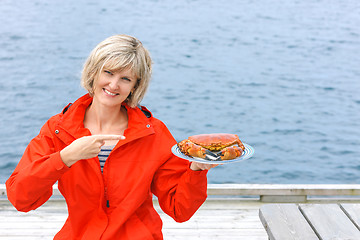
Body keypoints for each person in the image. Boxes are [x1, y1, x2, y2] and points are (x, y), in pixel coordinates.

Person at [6, 34, 217, 239]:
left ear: (135, 86)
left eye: (125, 78)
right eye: (108, 73)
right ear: (94, 72)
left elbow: (179, 209)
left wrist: (196, 171)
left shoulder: (154, 133)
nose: (114, 85)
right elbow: (20, 198)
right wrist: (65, 157)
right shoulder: (58, 129)